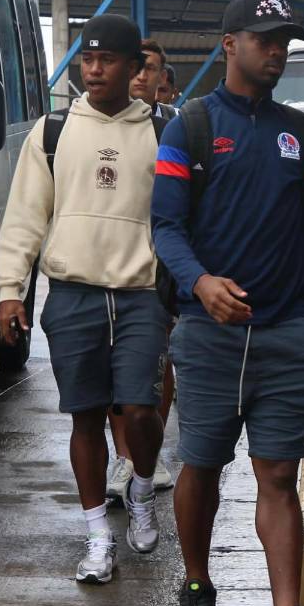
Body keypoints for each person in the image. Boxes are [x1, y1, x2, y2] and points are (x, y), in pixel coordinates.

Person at [151, 0, 304, 606]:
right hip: (208, 335)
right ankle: (197, 587)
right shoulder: (191, 127)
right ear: (229, 44)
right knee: (200, 466)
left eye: (284, 40)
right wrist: (200, 283)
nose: (277, 51)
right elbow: (166, 228)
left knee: (279, 477)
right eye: (264, 39)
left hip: (290, 333)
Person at [0, 14, 168, 586]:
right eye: (86, 60)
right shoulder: (51, 132)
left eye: (107, 60)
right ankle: (97, 537)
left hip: (142, 296)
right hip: (72, 295)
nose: (93, 70)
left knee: (141, 411)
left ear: (133, 67)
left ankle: (141, 486)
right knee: (85, 417)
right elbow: (25, 217)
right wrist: (9, 291)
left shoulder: (163, 133)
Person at [105, 38, 181, 502]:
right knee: (116, 371)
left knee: (158, 364)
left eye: (148, 69)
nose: (139, 76)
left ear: (160, 80)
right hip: (109, 267)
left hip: (160, 267)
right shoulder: (99, 125)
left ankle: (146, 456)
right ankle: (124, 459)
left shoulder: (173, 130)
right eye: (133, 67)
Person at [131, 37, 179, 120]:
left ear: (162, 77)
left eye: (150, 68)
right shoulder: (104, 119)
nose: (142, 77)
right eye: (136, 67)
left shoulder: (178, 121)